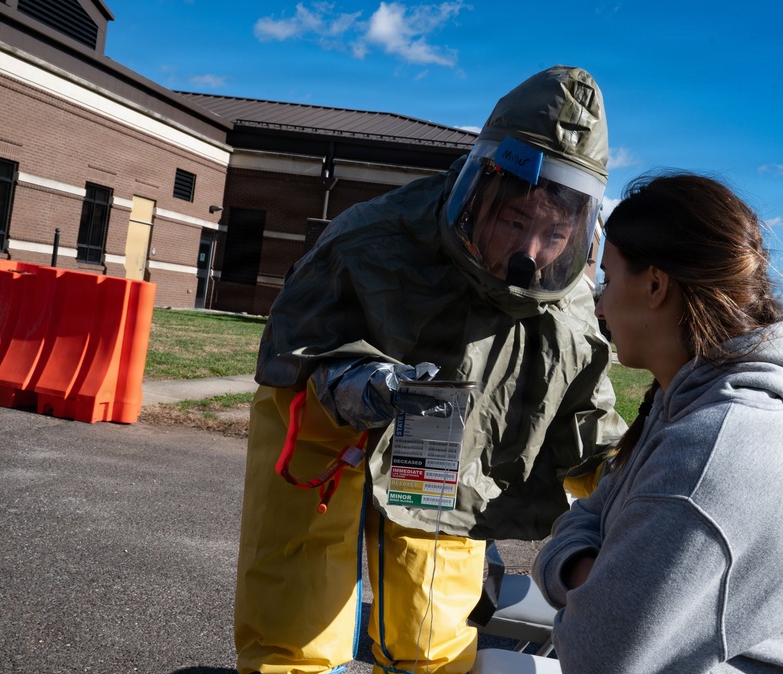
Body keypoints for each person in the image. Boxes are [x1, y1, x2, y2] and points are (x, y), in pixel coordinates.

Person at [234, 65, 625, 674]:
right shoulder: (372, 238)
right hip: (327, 441)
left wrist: (634, 478)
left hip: (446, 455)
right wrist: (350, 383)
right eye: (515, 222)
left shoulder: (568, 298)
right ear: (483, 192)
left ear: (578, 228)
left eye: (553, 233)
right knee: (296, 619)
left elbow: (584, 415)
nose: (530, 254)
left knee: (433, 637)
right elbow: (293, 349)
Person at [532, 172, 783, 673]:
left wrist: (585, 577)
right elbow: (589, 515)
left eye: (610, 279)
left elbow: (593, 656)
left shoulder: (714, 447)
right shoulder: (686, 401)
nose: (600, 304)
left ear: (655, 285)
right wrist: (588, 572)